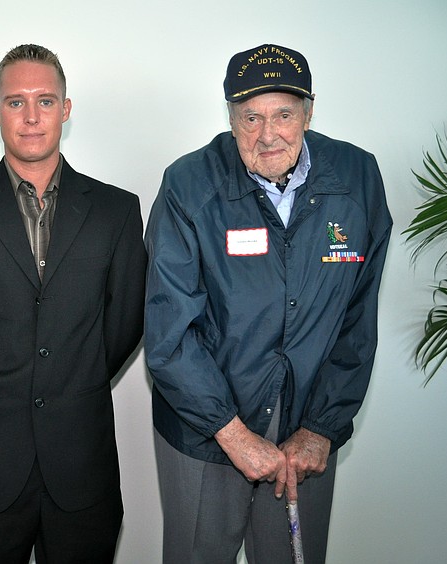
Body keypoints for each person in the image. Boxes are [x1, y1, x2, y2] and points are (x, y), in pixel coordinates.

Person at [144, 43, 392, 563]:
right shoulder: (188, 186)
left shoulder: (357, 179)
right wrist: (232, 433)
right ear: (230, 119)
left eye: (283, 114)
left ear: (309, 111)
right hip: (205, 431)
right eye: (250, 117)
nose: (267, 133)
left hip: (307, 429)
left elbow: (357, 318)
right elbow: (169, 333)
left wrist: (322, 427)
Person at [0, 44, 146, 563]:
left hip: (83, 470)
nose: (32, 116)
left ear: (66, 108)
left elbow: (124, 324)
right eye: (16, 102)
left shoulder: (117, 211)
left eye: (45, 100)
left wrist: (69, 377)